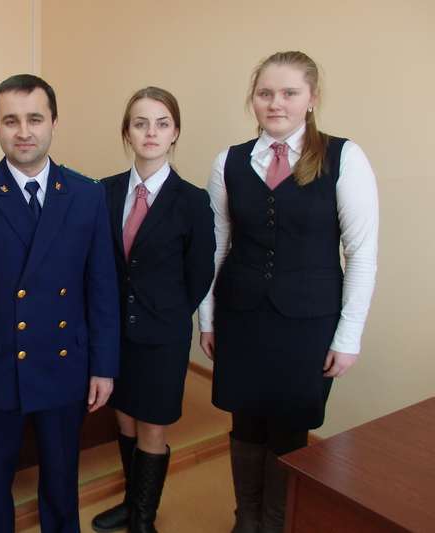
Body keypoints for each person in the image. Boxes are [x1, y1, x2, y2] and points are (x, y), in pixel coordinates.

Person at [198, 51, 379, 533]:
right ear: (253, 100)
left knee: (289, 426)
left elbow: (361, 253)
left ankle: (276, 524)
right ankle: (246, 520)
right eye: (265, 93)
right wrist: (207, 319)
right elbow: (216, 246)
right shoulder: (229, 162)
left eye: (289, 93)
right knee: (245, 421)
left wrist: (348, 336)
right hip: (241, 316)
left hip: (308, 322)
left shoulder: (344, 157)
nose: (275, 103)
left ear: (311, 99)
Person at [0, 74, 119, 533]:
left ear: (54, 122)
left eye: (35, 119)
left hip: (64, 363)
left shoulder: (87, 194)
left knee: (61, 481)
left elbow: (102, 288)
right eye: (11, 121)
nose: (24, 131)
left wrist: (104, 366)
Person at [92, 87, 215, 533]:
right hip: (113, 333)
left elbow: (200, 273)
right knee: (124, 417)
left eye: (162, 124)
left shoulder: (192, 201)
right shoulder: (103, 192)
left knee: (152, 425)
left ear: (175, 132)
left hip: (161, 334)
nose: (151, 132)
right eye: (141, 123)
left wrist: (166, 312)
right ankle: (132, 503)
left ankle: (143, 519)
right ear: (127, 132)